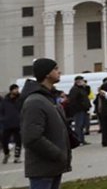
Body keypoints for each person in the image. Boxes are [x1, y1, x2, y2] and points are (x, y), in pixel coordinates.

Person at [20, 58, 72, 189]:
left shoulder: (50, 98)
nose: (59, 72)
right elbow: (32, 137)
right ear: (47, 73)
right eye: (55, 69)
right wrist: (57, 154)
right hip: (42, 168)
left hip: (53, 166)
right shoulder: (35, 101)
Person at [66, 77, 90, 146]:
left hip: (84, 109)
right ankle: (78, 139)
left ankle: (82, 139)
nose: (83, 82)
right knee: (78, 125)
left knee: (82, 125)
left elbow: (87, 93)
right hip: (79, 110)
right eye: (81, 80)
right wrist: (77, 107)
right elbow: (72, 100)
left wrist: (86, 86)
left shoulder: (82, 89)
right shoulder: (74, 89)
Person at [1, 84, 22, 164]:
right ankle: (6, 153)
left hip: (17, 123)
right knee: (4, 140)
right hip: (7, 124)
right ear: (11, 90)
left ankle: (17, 157)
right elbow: (1, 111)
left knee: (18, 141)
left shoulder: (20, 99)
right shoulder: (5, 101)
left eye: (17, 89)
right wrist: (3, 119)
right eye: (15, 89)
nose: (17, 91)